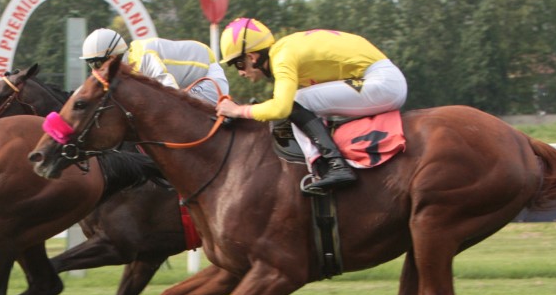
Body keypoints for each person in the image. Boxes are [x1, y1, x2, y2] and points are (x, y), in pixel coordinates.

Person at [215, 17, 408, 194]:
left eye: (239, 64)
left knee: (298, 101)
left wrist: (239, 111)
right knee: (301, 102)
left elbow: (281, 108)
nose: (240, 73)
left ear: (252, 57)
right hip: (381, 79)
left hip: (383, 82)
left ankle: (335, 166)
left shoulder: (282, 58)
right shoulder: (285, 49)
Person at [80, 28, 229, 105]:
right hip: (187, 82)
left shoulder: (144, 57)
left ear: (112, 58)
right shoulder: (126, 68)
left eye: (96, 64)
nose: (94, 70)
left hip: (208, 74)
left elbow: (171, 93)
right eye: (90, 64)